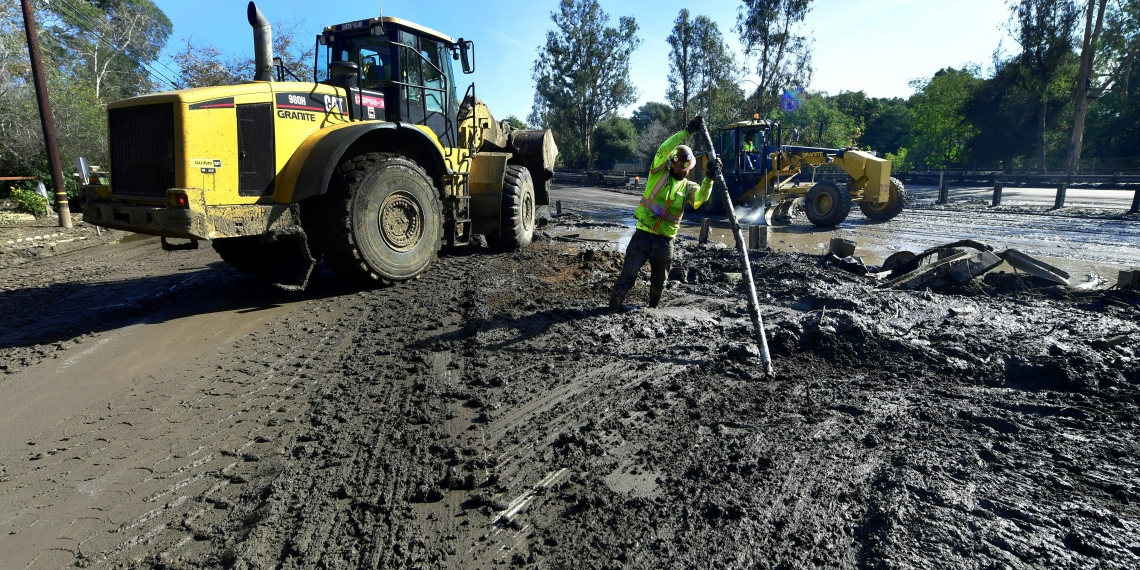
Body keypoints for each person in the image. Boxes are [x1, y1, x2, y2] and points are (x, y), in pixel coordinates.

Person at [609, 116, 722, 310]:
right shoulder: (657, 172)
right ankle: (612, 307)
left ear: (688, 168)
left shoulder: (688, 188)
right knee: (628, 275)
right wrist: (687, 131)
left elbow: (700, 198)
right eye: (676, 165)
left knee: (659, 282)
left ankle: (652, 310)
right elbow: (664, 148)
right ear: (671, 162)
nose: (678, 169)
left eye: (681, 167)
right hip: (643, 235)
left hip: (665, 241)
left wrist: (709, 178)